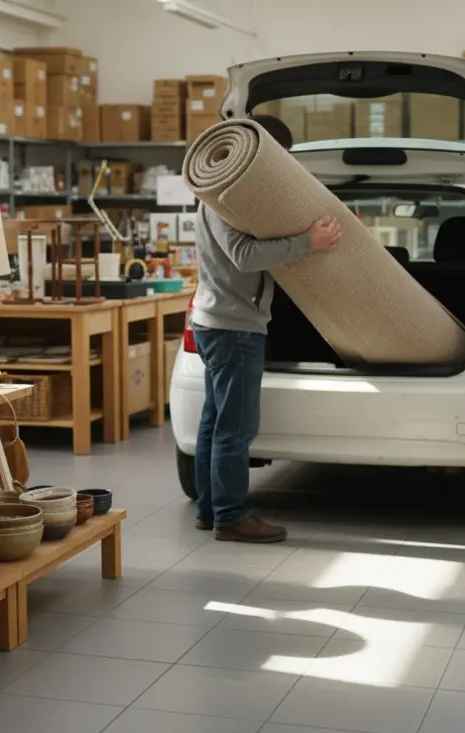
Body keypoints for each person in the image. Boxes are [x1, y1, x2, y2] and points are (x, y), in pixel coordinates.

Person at [191, 114, 341, 543]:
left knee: (215, 423)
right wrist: (307, 243)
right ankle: (232, 515)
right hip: (233, 329)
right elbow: (244, 255)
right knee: (234, 429)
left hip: (215, 322)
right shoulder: (227, 197)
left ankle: (209, 509)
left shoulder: (221, 191)